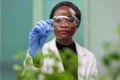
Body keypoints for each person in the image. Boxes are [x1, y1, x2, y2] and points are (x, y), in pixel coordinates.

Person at [23, 1, 97, 80]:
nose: (64, 25)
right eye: (58, 20)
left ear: (77, 24)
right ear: (52, 23)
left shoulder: (89, 56)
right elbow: (28, 77)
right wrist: (36, 58)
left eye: (70, 20)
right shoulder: (39, 51)